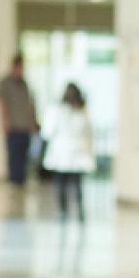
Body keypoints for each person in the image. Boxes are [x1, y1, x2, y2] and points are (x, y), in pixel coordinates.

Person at [41, 82, 95, 221]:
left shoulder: (57, 111)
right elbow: (88, 132)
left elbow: (47, 132)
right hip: (77, 153)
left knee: (61, 184)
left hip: (60, 153)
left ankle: (63, 211)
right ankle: (79, 211)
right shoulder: (82, 112)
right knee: (77, 184)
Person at [0, 53, 38, 187]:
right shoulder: (5, 83)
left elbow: (29, 105)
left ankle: (21, 181)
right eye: (20, 67)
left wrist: (33, 123)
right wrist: (4, 122)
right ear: (15, 66)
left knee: (23, 156)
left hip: (25, 127)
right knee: (13, 156)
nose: (22, 70)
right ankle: (13, 181)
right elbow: (1, 103)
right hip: (13, 126)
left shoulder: (24, 84)